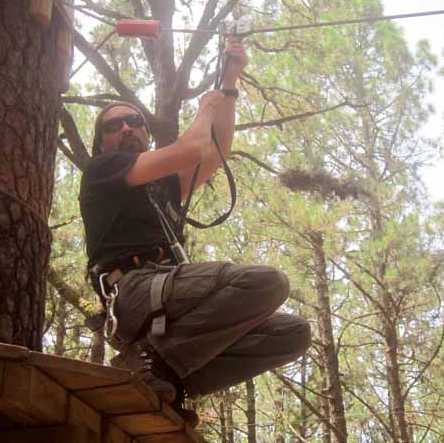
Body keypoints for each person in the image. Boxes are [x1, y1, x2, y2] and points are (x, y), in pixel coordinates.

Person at [78, 40, 311, 422]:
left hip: (171, 298)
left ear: (145, 133)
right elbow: (191, 149)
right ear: (102, 142)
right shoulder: (102, 172)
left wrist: (229, 83)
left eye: (134, 121)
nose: (126, 128)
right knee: (267, 283)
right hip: (134, 291)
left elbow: (215, 152)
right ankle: (152, 364)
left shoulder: (162, 188)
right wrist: (204, 110)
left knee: (293, 333)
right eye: (113, 125)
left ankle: (169, 377)